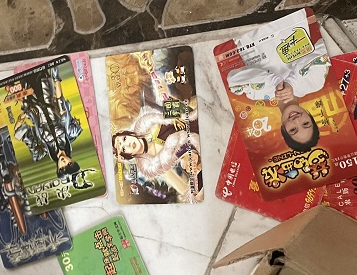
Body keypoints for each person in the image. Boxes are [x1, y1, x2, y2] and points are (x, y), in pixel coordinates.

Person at [226, 11, 330, 152]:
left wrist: (274, 82)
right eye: (306, 123)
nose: (296, 120)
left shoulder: (258, 94)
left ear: (283, 129)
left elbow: (233, 81)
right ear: (310, 117)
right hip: (289, 15)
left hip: (248, 23)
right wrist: (292, 82)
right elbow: (324, 47)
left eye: (293, 129)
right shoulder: (314, 83)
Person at [111, 106, 203, 203]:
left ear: (127, 133)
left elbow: (170, 109)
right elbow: (178, 184)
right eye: (124, 148)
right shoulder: (148, 165)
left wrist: (178, 115)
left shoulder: (143, 122)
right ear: (126, 156)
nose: (128, 144)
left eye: (124, 139)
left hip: (193, 120)